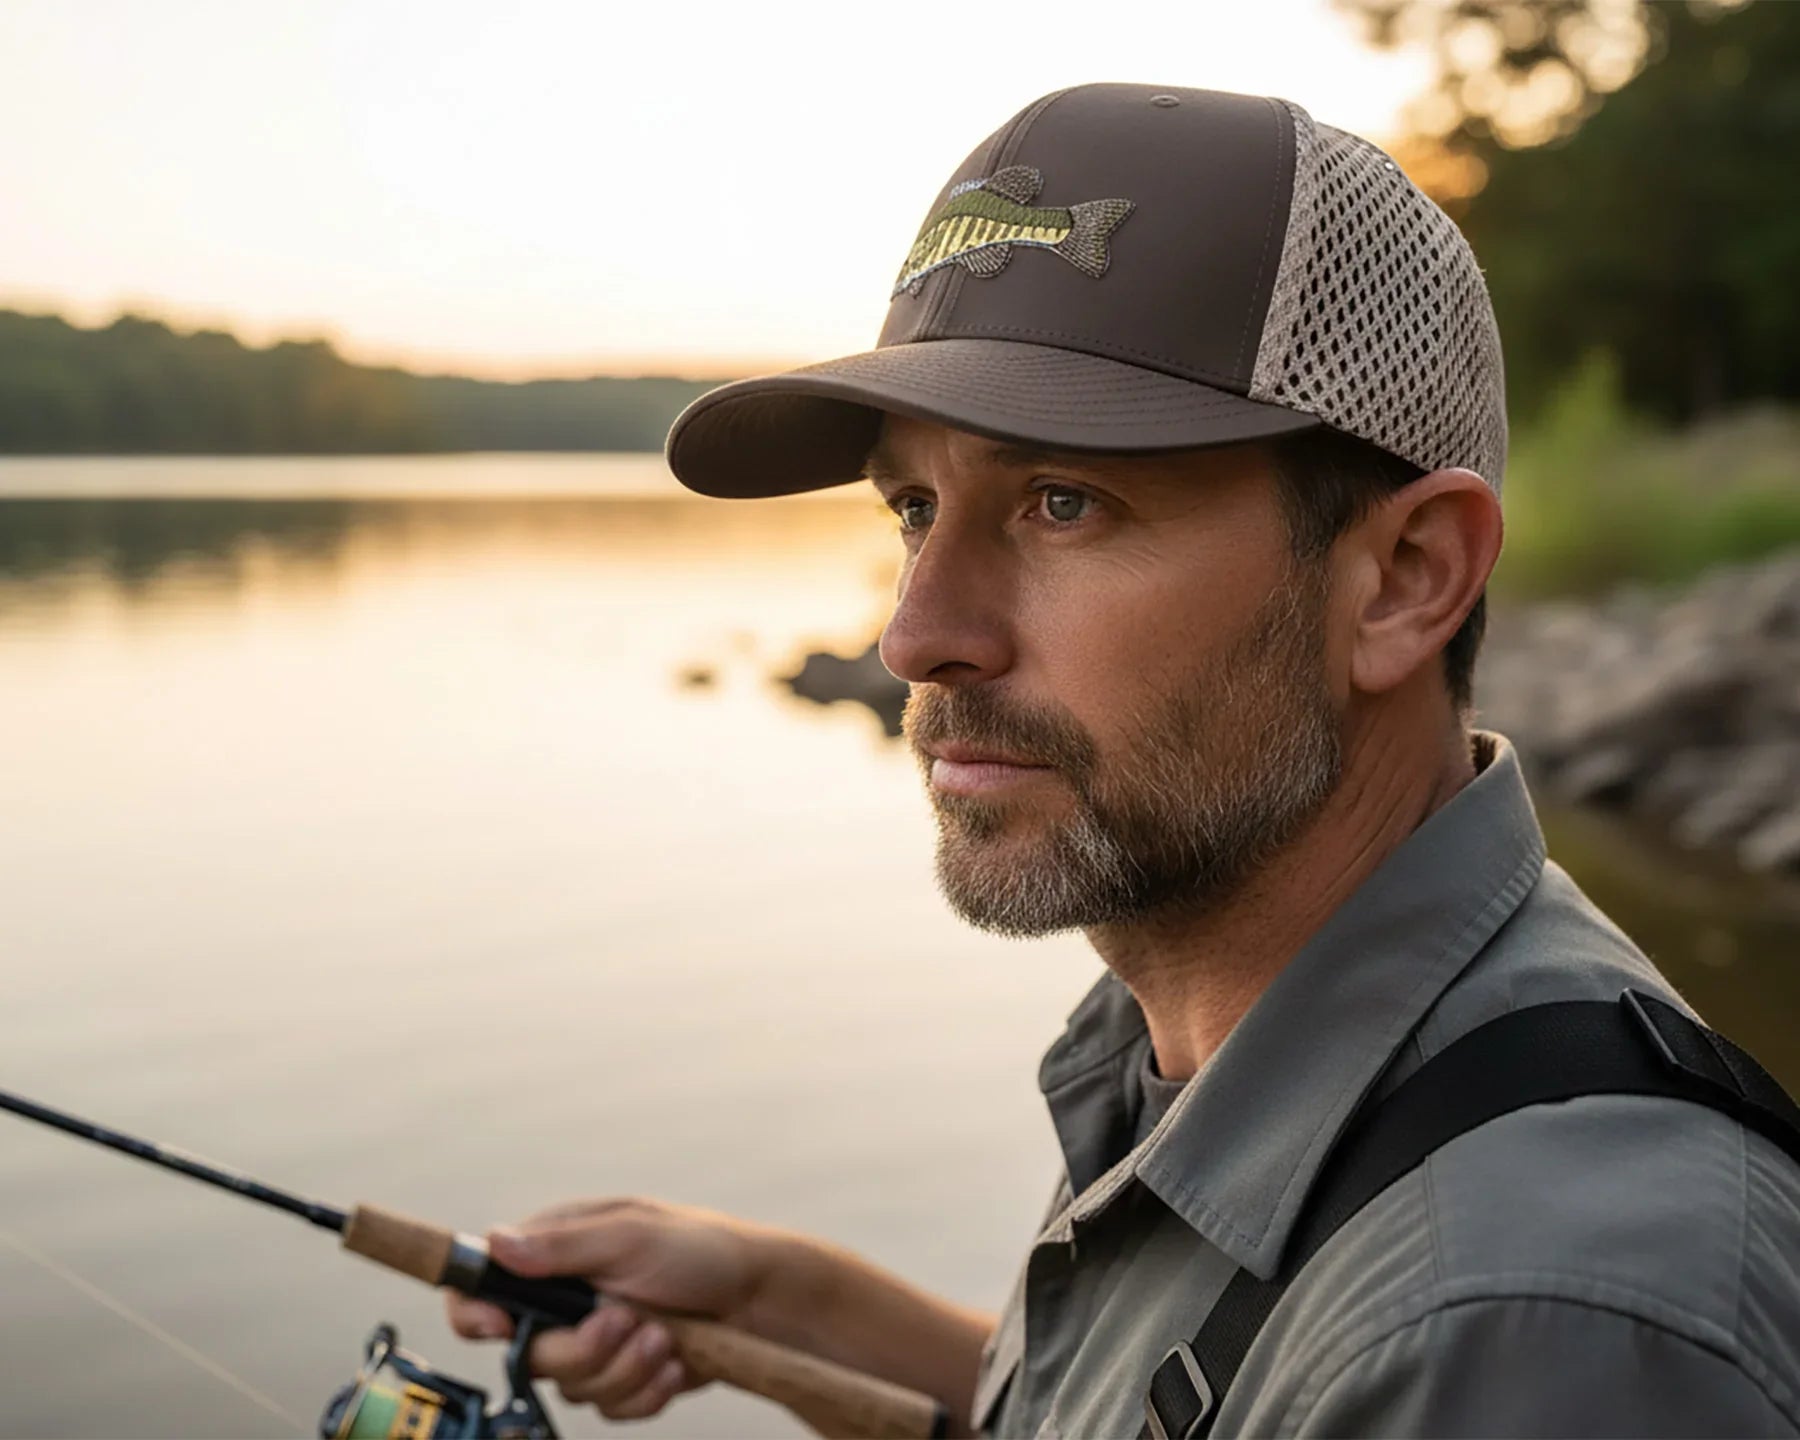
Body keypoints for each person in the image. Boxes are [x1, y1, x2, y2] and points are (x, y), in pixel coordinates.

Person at [448, 84, 1800, 1436]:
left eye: (1062, 503)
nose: (917, 634)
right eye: (916, 508)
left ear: (1402, 577)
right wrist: (780, 1298)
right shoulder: (1233, 1031)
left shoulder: (1529, 1328)